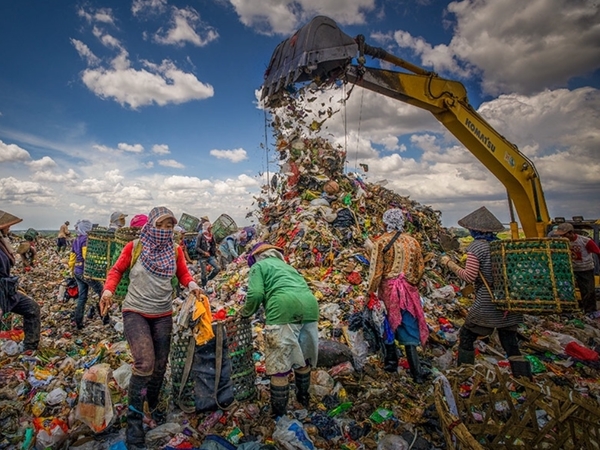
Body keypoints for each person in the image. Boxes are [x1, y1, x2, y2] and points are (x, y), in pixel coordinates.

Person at [100, 206, 201, 449]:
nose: (165, 231)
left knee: (159, 366)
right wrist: (108, 290)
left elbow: (184, 275)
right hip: (135, 311)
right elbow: (116, 270)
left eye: (170, 226)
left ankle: (152, 406)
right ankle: (133, 423)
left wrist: (193, 285)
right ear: (151, 225)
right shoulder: (135, 247)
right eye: (161, 226)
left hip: (163, 313)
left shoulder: (175, 251)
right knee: (144, 363)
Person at [440, 206, 530, 378]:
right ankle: (524, 380)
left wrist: (449, 263)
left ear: (475, 230)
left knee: (467, 335)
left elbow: (469, 276)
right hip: (508, 302)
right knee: (511, 343)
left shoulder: (477, 248)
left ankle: (464, 375)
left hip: (488, 303)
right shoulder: (503, 245)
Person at [241, 242, 319, 417]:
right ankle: (303, 399)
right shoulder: (287, 267)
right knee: (303, 358)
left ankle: (279, 415)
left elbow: (255, 294)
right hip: (310, 306)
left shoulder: (259, 266)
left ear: (255, 258)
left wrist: (245, 313)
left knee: (279, 367)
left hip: (283, 307)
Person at [366, 208, 429, 383]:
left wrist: (369, 292)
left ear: (386, 222)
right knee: (408, 324)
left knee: (387, 324)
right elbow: (420, 268)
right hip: (409, 291)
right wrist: (411, 283)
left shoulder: (381, 242)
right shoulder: (413, 242)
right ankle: (416, 372)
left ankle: (391, 364)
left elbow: (376, 272)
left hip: (388, 290)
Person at [0, 210, 41, 355]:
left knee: (32, 308)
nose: (9, 228)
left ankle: (30, 349)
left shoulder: (3, 242)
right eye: (7, 226)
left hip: (6, 290)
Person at [69, 219, 108, 329]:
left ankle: (78, 322)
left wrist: (72, 270)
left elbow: (72, 258)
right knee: (102, 293)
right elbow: (87, 256)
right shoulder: (86, 239)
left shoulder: (76, 239)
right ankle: (105, 318)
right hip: (86, 272)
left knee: (82, 297)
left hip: (77, 271)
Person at [554, 222, 600, 314]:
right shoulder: (561, 242)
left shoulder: (585, 241)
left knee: (588, 291)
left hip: (585, 269)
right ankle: (572, 308)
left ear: (571, 233)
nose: (562, 237)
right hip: (571, 270)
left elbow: (597, 252)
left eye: (564, 235)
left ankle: (590, 311)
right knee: (567, 290)